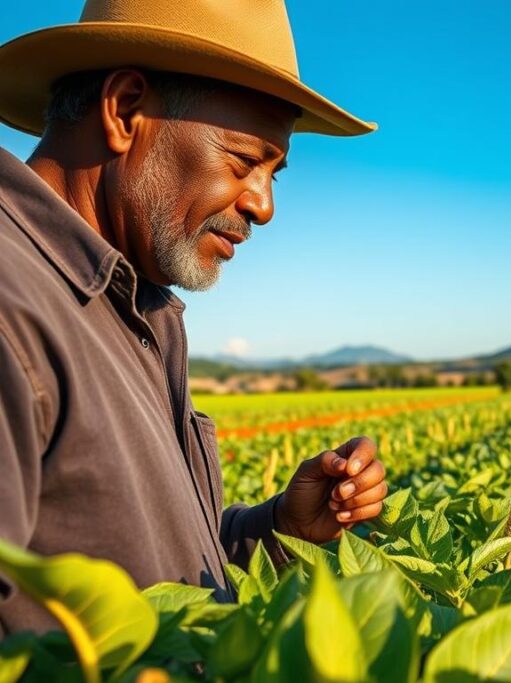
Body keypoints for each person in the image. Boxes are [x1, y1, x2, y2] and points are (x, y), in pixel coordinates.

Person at [0, 0, 388, 635]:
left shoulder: (134, 303)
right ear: (125, 110)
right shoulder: (14, 304)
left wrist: (278, 529)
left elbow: (153, 571)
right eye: (242, 160)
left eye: (274, 173)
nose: (263, 206)